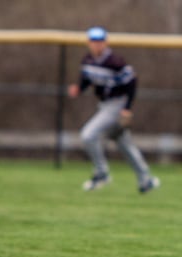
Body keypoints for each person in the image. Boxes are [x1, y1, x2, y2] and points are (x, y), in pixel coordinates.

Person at [68, 26, 160, 194]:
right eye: (94, 41)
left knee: (88, 135)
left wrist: (127, 108)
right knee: (124, 144)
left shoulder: (115, 62)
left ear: (106, 42)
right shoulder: (87, 60)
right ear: (89, 43)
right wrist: (79, 89)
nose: (97, 45)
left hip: (116, 105)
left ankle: (102, 173)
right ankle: (146, 180)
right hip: (105, 105)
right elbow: (87, 79)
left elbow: (132, 84)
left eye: (100, 41)